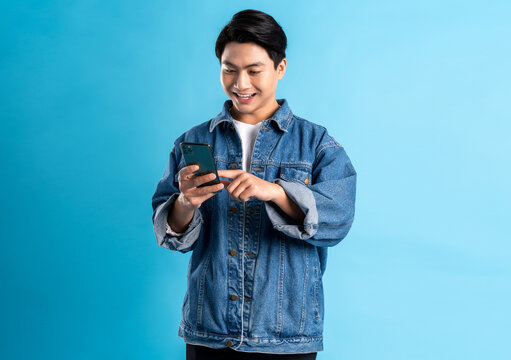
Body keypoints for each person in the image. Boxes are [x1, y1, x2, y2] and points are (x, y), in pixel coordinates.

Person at [151, 9, 357, 360]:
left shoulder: (317, 143)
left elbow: (338, 219)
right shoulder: (193, 141)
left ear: (280, 68)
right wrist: (185, 202)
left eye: (253, 70)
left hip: (286, 335)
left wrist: (275, 191)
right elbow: (169, 235)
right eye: (229, 69)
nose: (240, 83)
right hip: (209, 332)